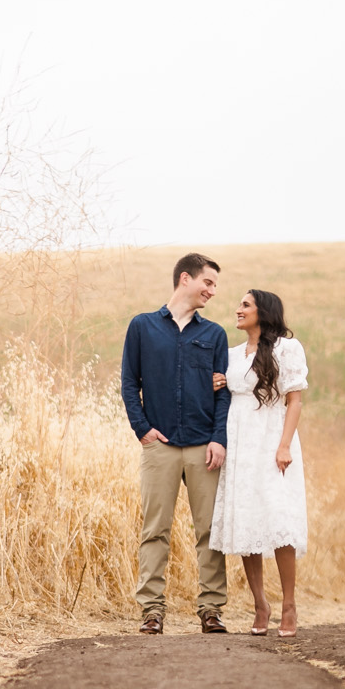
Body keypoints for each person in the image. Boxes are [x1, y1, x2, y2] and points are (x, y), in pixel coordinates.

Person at [119, 253, 233, 634]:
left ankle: (211, 610)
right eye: (209, 283)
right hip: (160, 446)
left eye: (215, 285)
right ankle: (151, 611)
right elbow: (128, 384)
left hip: (204, 447)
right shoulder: (142, 327)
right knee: (155, 530)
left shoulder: (214, 335)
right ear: (186, 279)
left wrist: (219, 439)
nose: (213, 292)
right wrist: (143, 431)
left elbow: (224, 394)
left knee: (209, 531)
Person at [208, 289, 308, 637]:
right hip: (239, 442)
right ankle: (260, 603)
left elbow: (294, 401)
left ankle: (290, 604)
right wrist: (219, 382)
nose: (237, 309)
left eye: (245, 305)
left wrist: (284, 446)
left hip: (271, 440)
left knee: (279, 517)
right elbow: (231, 390)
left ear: (262, 312)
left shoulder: (286, 348)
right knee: (246, 519)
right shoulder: (233, 354)